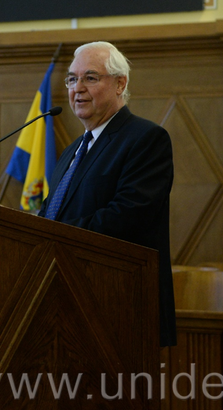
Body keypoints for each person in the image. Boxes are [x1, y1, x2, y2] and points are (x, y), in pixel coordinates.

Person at [38, 41, 176, 347]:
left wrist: (52, 236)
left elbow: (127, 217)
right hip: (64, 303)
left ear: (120, 84)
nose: (77, 88)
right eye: (72, 79)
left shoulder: (146, 139)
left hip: (119, 306)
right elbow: (49, 212)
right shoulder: (72, 151)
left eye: (90, 77)